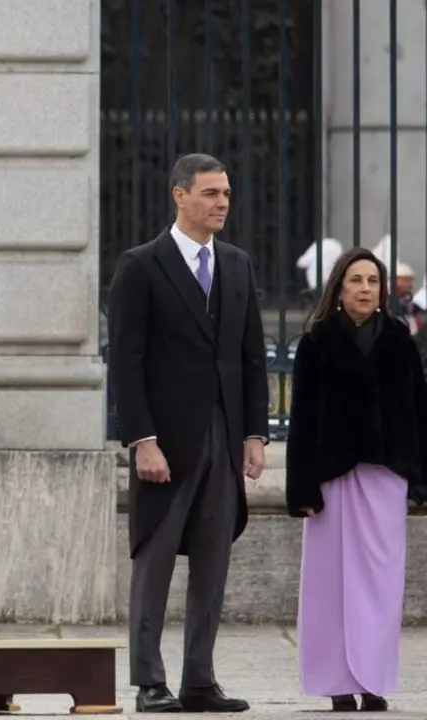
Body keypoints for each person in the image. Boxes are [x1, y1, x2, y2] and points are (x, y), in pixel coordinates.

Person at [107, 153, 268, 713]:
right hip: (165, 442)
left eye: (226, 193)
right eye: (210, 193)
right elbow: (125, 363)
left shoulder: (239, 265)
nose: (222, 202)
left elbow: (251, 358)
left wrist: (254, 433)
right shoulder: (140, 266)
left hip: (223, 438)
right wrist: (141, 439)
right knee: (153, 561)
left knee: (213, 561)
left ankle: (200, 680)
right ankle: (150, 682)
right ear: (180, 196)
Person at [285, 247, 427, 713]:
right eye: (356, 280)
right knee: (329, 583)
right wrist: (301, 488)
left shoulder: (400, 341)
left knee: (379, 582)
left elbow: (419, 414)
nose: (365, 289)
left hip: (385, 476)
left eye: (373, 281)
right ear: (338, 289)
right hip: (330, 477)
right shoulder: (316, 343)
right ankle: (337, 683)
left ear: (383, 290)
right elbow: (301, 420)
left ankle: (373, 680)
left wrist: (420, 479)